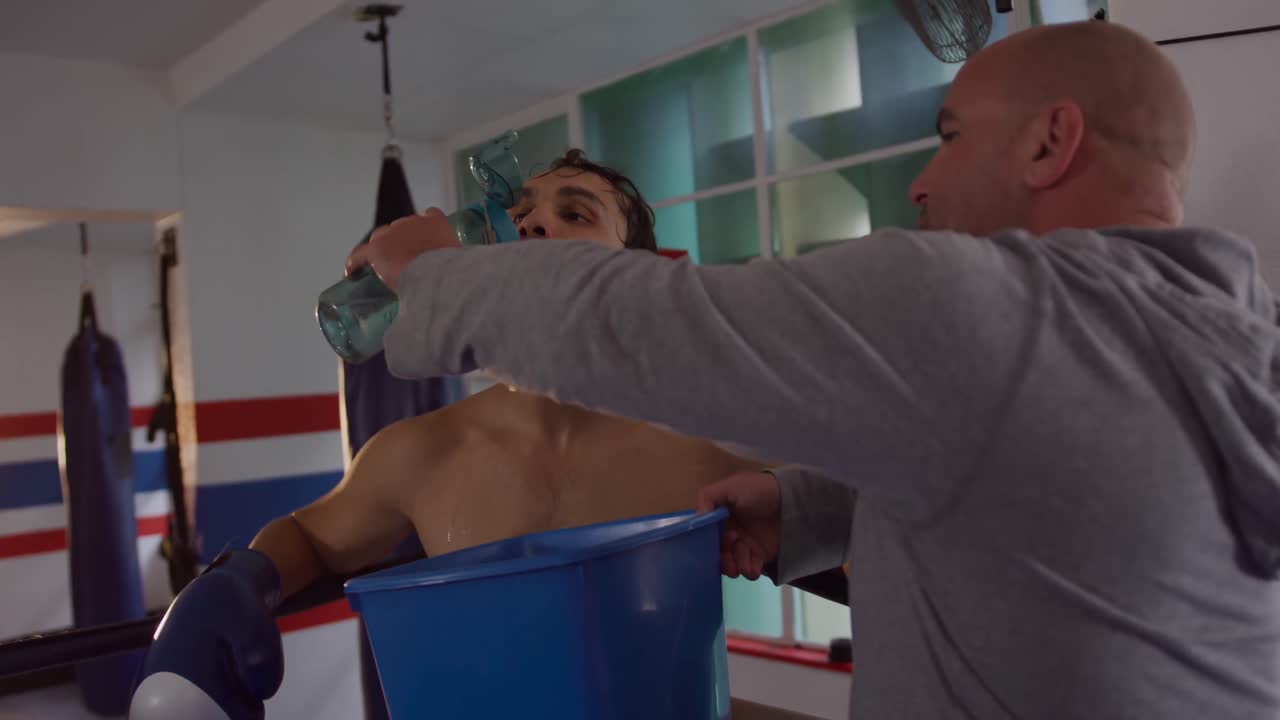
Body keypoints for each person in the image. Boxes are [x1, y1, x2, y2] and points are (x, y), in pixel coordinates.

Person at [348, 19, 1280, 719]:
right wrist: (819, 509)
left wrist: (434, 272)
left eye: (949, 136)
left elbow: (642, 327)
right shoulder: (1237, 329)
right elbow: (1061, 483)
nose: (921, 181)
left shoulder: (992, 306)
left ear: (1051, 141)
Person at [129, 150, 775, 720]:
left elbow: (850, 538)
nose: (532, 224)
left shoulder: (710, 446)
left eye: (575, 214)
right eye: (519, 214)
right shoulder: (422, 453)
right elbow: (311, 536)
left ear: (634, 274)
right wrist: (241, 579)